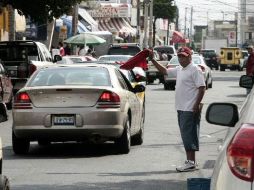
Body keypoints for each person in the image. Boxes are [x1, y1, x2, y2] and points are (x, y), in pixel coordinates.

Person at [149, 46, 206, 172]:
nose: (181, 59)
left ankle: (191, 162)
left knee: (189, 135)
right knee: (186, 135)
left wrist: (196, 105)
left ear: (190, 57)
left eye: (183, 56)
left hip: (190, 108)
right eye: (179, 56)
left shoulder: (195, 70)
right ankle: (190, 161)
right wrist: (153, 60)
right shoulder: (180, 69)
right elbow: (165, 71)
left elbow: (202, 88)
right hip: (181, 107)